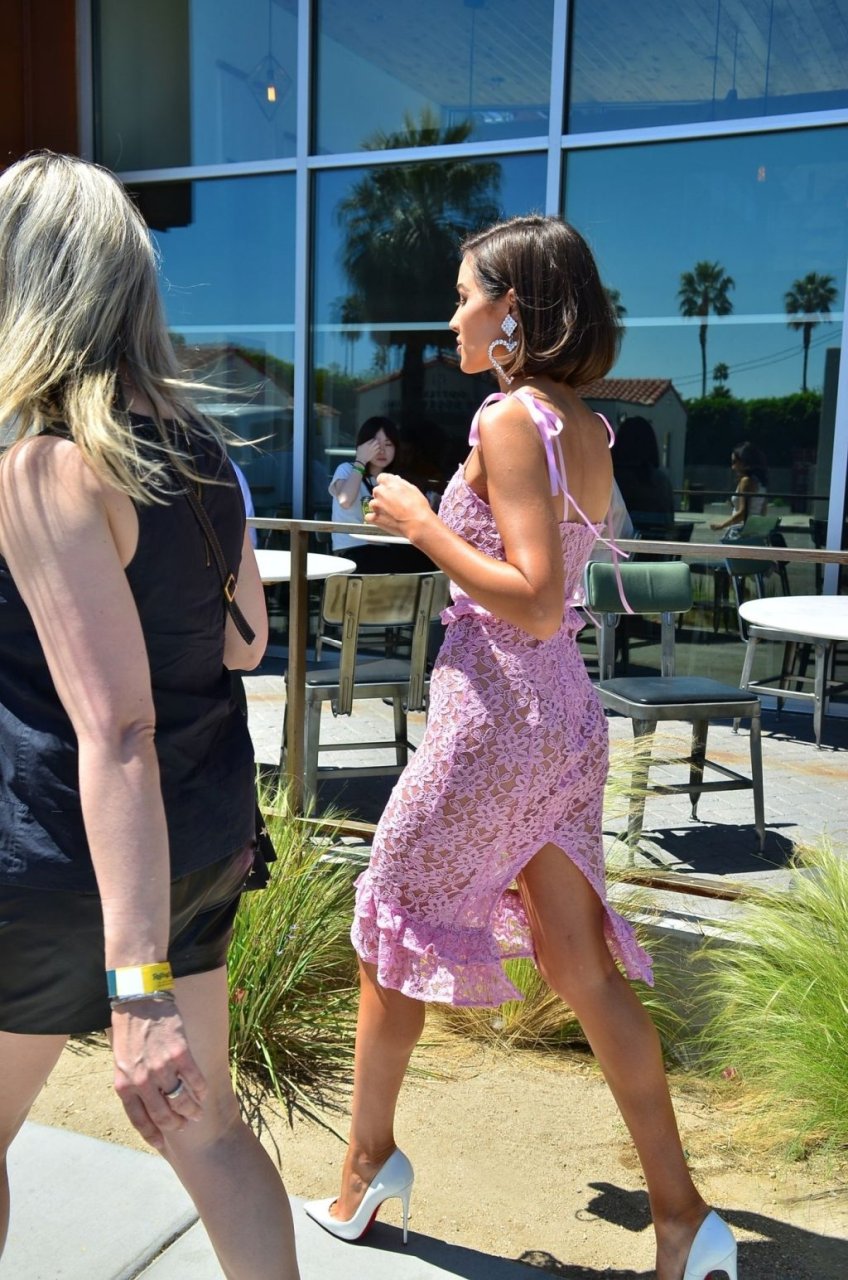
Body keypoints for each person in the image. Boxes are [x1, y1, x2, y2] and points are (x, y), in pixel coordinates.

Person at [305, 215, 737, 1280]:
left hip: (496, 719)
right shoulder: (582, 424)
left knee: (391, 920)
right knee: (582, 966)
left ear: (511, 309)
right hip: (563, 722)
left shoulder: (509, 418)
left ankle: (365, 1168)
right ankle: (683, 1219)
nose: (452, 315)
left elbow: (537, 600)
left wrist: (419, 522)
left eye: (464, 295)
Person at [0, 153, 300, 1280]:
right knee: (208, 1130)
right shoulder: (198, 452)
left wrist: (137, 991)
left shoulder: (45, 468)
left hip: (65, 864)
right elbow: (244, 643)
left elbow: (116, 730)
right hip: (198, 844)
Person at [329, 416, 434, 573]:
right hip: (352, 550)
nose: (382, 451)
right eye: (375, 444)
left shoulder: (393, 480)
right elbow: (345, 500)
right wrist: (361, 460)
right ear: (363, 446)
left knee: (428, 560)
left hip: (386, 549)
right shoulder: (347, 469)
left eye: (388, 444)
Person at [611, 415, 675, 536]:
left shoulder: (611, 480)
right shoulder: (661, 481)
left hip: (615, 543)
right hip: (655, 545)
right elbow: (669, 524)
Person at [710, 441, 768, 536]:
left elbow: (742, 513)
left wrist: (721, 526)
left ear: (744, 462)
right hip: (754, 531)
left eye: (734, 462)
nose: (733, 467)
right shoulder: (761, 483)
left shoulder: (746, 481)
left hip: (740, 531)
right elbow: (763, 511)